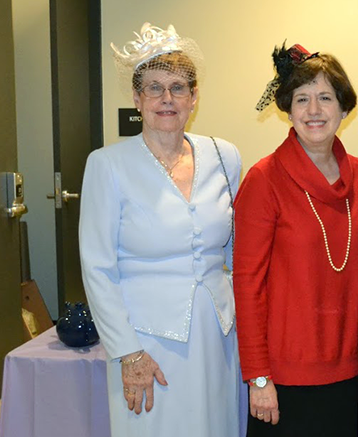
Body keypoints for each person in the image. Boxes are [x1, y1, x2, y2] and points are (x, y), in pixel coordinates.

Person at [79, 23, 242, 437]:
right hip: (146, 340)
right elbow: (97, 267)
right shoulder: (107, 164)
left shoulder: (225, 156)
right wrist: (128, 353)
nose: (166, 98)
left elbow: (238, 249)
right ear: (136, 98)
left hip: (218, 335)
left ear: (194, 96)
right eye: (154, 88)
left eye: (178, 87)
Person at [234, 43, 358, 437]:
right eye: (302, 99)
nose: (314, 111)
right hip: (282, 375)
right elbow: (246, 285)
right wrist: (258, 377)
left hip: (345, 366)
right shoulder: (264, 179)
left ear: (344, 109)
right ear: (289, 109)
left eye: (325, 98)